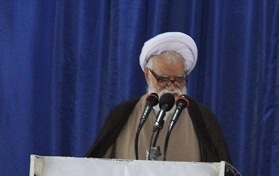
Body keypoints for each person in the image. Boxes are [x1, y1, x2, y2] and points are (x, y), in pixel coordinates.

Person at [84, 32, 231, 163]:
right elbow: (98, 171)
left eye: (179, 79)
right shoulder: (123, 115)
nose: (172, 87)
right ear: (147, 75)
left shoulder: (202, 118)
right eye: (163, 79)